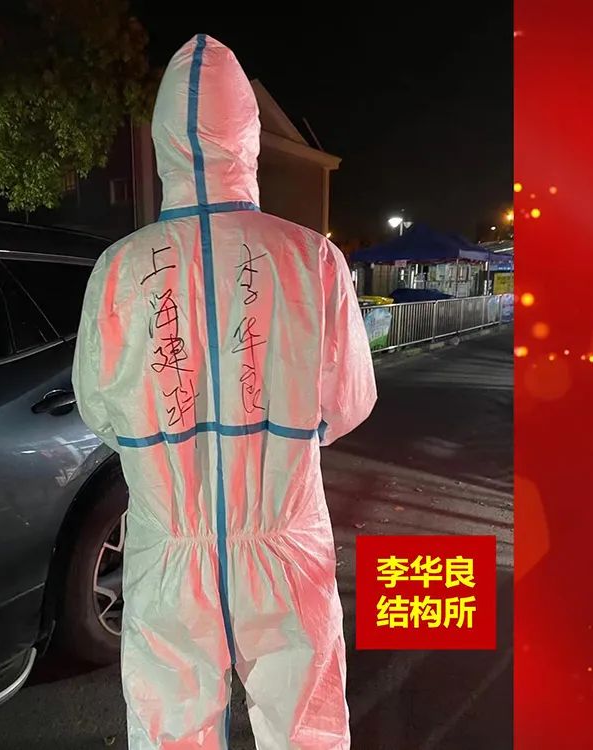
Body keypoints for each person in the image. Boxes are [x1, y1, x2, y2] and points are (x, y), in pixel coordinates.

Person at [73, 34, 377, 750]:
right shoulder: (313, 260)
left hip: (167, 550)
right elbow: (348, 404)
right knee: (305, 728)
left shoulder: (120, 269)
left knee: (170, 728)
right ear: (248, 136)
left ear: (163, 143)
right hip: (285, 540)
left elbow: (99, 408)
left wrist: (164, 447)